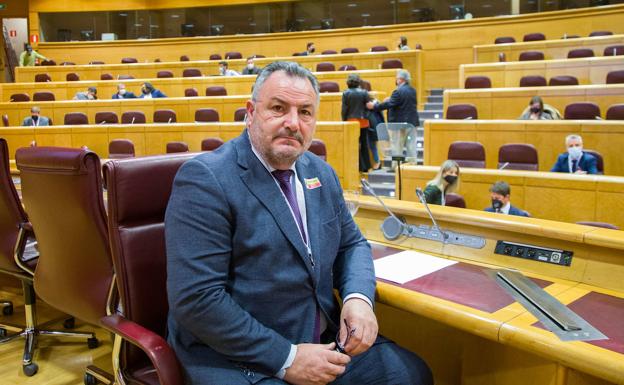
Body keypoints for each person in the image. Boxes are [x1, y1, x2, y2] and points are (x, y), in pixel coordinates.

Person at [165, 61, 433, 385]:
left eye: (305, 112)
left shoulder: (321, 173)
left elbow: (352, 244)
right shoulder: (206, 180)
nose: (293, 123)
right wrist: (288, 358)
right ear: (250, 112)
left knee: (410, 375)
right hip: (243, 355)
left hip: (325, 343)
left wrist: (358, 300)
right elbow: (197, 299)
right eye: (279, 108)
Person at [367, 69, 419, 158]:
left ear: (401, 79)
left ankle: (396, 166)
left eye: (397, 79)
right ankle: (412, 167)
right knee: (411, 146)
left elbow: (389, 104)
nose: (396, 81)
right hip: (412, 123)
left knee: (397, 146)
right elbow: (403, 102)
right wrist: (391, 99)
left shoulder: (397, 91)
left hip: (399, 124)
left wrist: (374, 106)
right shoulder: (413, 90)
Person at [342, 73, 374, 172]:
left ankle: (358, 166)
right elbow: (369, 107)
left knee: (354, 145)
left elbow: (344, 109)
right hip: (363, 121)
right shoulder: (364, 92)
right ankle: (367, 166)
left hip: (351, 122)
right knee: (364, 144)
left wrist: (343, 120)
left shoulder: (346, 93)